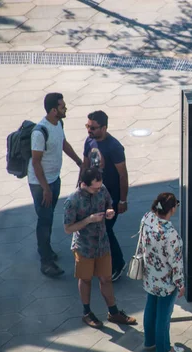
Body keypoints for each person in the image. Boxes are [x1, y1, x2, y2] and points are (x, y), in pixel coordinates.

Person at [64, 167, 136, 329]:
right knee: (86, 279)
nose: (98, 190)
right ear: (83, 184)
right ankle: (87, 313)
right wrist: (88, 220)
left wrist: (109, 211)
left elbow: (108, 203)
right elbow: (68, 228)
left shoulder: (101, 189)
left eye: (99, 187)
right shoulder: (72, 201)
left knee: (106, 278)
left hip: (102, 243)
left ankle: (113, 312)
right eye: (94, 188)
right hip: (84, 247)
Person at [29, 93, 82, 277]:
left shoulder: (59, 123)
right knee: (44, 220)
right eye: (62, 106)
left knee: (48, 217)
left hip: (54, 179)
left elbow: (63, 143)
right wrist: (45, 189)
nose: (65, 108)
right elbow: (36, 162)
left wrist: (78, 161)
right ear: (53, 110)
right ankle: (46, 262)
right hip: (40, 183)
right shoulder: (39, 132)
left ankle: (46, 250)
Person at [81, 111, 129, 282]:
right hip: (93, 197)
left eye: (93, 127)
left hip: (111, 198)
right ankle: (101, 260)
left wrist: (122, 200)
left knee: (106, 230)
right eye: (88, 126)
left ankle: (119, 263)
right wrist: (81, 186)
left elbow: (123, 175)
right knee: (97, 229)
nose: (89, 130)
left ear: (104, 128)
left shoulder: (114, 147)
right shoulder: (89, 141)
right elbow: (85, 165)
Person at [140, 193, 186, 352]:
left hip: (150, 275)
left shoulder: (147, 219)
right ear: (172, 209)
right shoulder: (171, 234)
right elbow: (176, 263)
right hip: (166, 281)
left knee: (150, 307)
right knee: (163, 315)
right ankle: (164, 348)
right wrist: (180, 284)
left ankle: (149, 341)